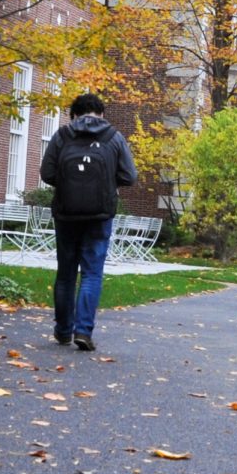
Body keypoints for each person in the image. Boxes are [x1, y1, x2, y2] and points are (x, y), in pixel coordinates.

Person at [38, 91, 137, 352]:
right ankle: (83, 331)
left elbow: (46, 173)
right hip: (99, 215)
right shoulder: (113, 137)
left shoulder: (62, 136)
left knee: (66, 273)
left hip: (66, 214)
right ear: (102, 114)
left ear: (73, 114)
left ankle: (62, 330)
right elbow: (130, 176)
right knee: (92, 273)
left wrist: (69, 185)